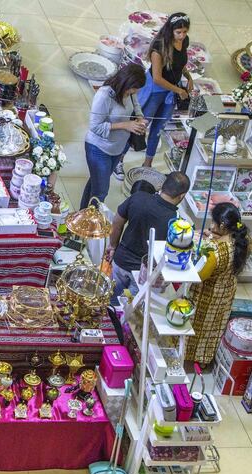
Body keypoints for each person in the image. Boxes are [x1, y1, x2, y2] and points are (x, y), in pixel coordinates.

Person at [106, 171, 190, 300]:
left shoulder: (138, 198)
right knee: (127, 310)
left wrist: (112, 246)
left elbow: (117, 222)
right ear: (182, 196)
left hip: (120, 260)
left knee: (110, 299)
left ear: (162, 185)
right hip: (142, 273)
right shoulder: (176, 223)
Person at [185, 202, 251, 365]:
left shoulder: (214, 252)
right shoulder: (244, 240)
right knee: (213, 329)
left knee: (197, 328)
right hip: (226, 291)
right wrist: (212, 236)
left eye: (213, 222)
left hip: (207, 296)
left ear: (221, 225)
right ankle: (205, 359)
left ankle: (188, 356)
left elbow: (199, 276)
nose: (211, 225)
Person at [81, 63, 148, 209]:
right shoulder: (104, 95)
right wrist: (126, 125)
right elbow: (95, 126)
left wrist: (140, 119)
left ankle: (81, 215)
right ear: (126, 82)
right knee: (100, 192)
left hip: (117, 148)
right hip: (99, 148)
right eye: (133, 89)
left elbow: (136, 106)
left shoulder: (130, 93)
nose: (134, 92)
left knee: (95, 182)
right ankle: (89, 226)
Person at [139, 12, 192, 167]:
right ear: (170, 30)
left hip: (170, 91)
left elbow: (180, 64)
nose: (182, 36)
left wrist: (189, 77)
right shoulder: (159, 48)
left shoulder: (184, 41)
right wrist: (178, 90)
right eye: (178, 32)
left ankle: (147, 164)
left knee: (159, 127)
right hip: (155, 90)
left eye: (185, 32)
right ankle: (120, 159)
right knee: (142, 124)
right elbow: (157, 78)